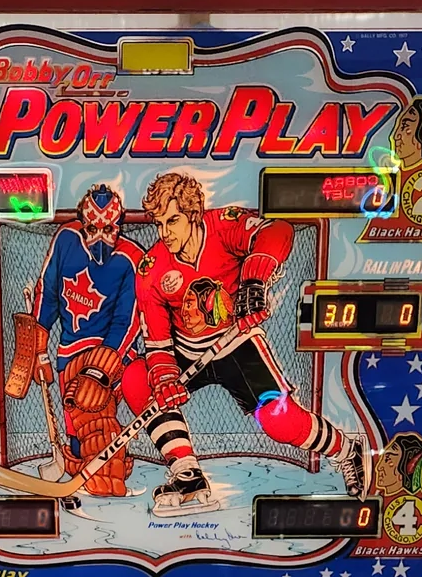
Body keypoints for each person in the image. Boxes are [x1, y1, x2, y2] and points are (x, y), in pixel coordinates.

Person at [122, 168, 369, 518]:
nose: (165, 233)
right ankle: (187, 473)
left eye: (173, 220)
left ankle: (346, 449)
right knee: (137, 378)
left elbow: (277, 230)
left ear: (193, 213)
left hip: (238, 343)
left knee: (278, 422)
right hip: (187, 350)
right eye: (159, 224)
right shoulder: (151, 269)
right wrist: (164, 380)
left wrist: (253, 281)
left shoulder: (224, 225)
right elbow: (158, 340)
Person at [7, 183, 141, 494]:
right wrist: (40, 352)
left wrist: (100, 370)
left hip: (109, 354)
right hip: (69, 352)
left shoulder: (130, 258)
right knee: (74, 426)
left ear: (119, 225)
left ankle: (105, 479)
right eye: (93, 227)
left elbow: (127, 321)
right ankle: (75, 464)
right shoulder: (67, 239)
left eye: (109, 228)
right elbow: (48, 295)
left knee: (90, 409)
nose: (100, 237)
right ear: (82, 222)